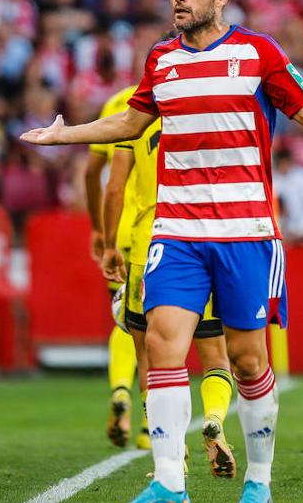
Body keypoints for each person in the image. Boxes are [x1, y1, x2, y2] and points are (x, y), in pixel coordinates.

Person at [21, 0, 303, 503]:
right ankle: (169, 484)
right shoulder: (161, 59)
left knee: (248, 360)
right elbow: (131, 121)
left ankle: (258, 482)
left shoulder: (258, 52)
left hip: (246, 232)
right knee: (162, 344)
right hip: (176, 232)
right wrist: (65, 135)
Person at [99, 90, 238, 477]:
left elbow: (114, 187)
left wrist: (109, 244)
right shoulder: (207, 105)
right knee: (215, 355)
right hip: (203, 241)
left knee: (152, 362)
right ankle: (213, 418)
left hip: (148, 245)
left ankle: (172, 456)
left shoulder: (134, 112)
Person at [81, 86, 139, 448]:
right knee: (166, 329)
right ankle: (152, 429)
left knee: (125, 318)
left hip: (124, 231)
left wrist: (99, 230)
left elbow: (93, 174)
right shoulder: (182, 96)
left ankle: (120, 389)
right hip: (169, 229)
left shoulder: (119, 103)